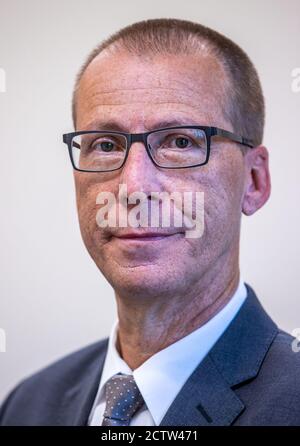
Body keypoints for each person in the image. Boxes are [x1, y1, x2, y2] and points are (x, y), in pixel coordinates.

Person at [1, 18, 300, 426]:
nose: (134, 186)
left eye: (180, 141)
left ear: (254, 180)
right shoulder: (26, 406)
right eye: (105, 145)